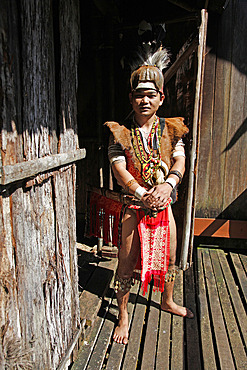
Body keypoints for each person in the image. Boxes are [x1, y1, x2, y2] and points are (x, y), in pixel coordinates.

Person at [105, 48, 193, 345]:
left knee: (168, 258)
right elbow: (119, 169)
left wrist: (168, 185)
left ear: (161, 98)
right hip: (133, 206)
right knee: (126, 261)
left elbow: (180, 161)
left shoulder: (172, 129)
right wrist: (142, 193)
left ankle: (167, 300)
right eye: (139, 95)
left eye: (150, 95)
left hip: (163, 205)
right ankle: (123, 315)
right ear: (131, 99)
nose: (144, 100)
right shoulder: (119, 133)